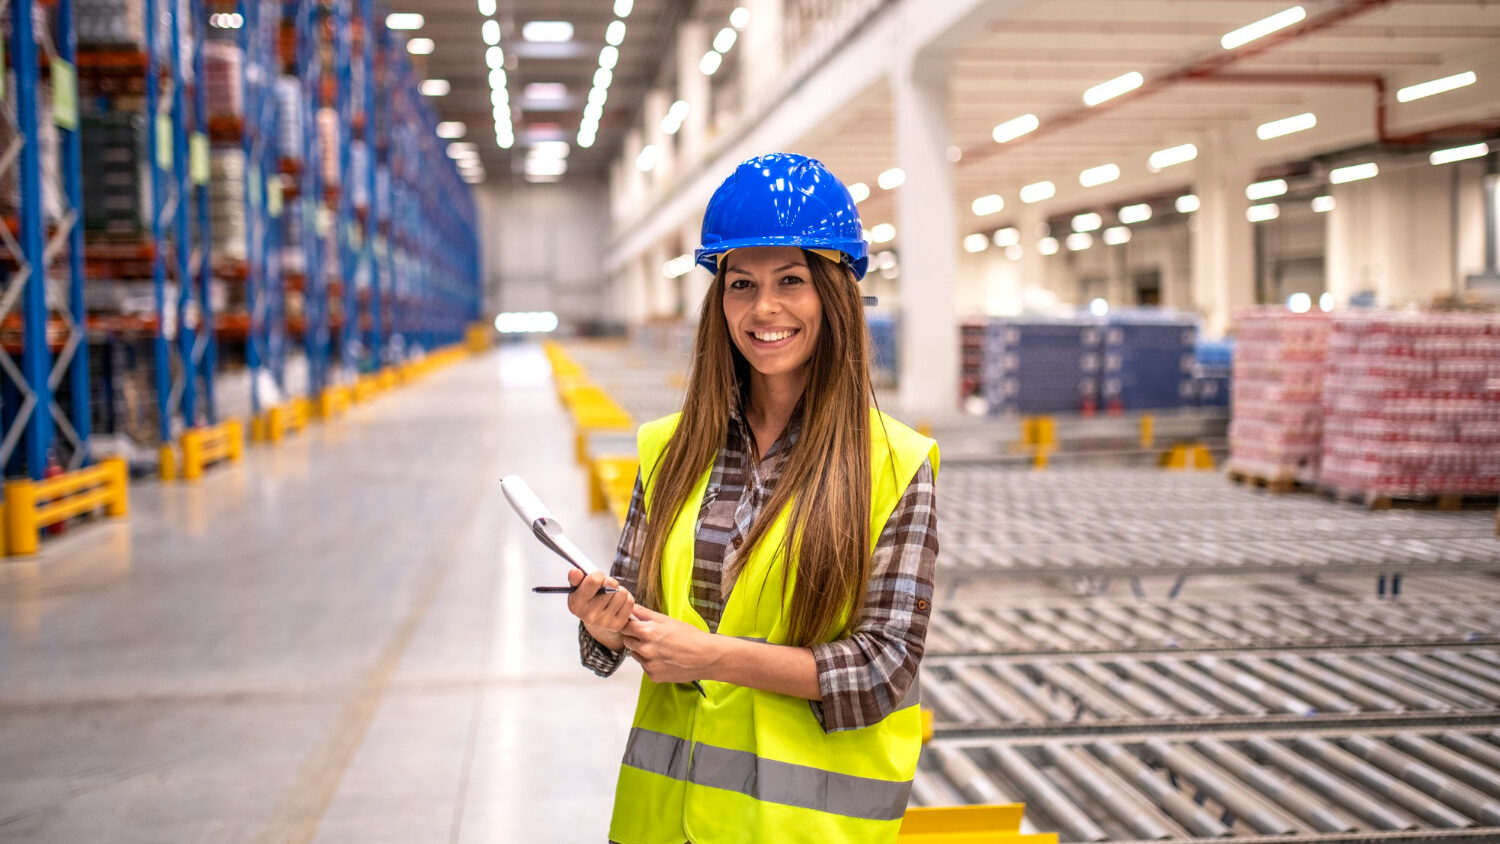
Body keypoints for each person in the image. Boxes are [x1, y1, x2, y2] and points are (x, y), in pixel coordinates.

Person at [567, 152, 939, 844]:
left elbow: (882, 670)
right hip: (661, 824)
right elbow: (627, 617)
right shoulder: (669, 450)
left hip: (802, 830)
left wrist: (711, 657)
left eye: (790, 281)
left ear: (834, 295)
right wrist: (604, 623)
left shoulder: (895, 464)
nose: (764, 308)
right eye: (741, 284)